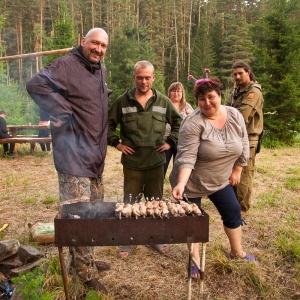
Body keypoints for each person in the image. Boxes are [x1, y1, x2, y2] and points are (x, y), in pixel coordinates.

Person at [26, 27, 110, 293]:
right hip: (73, 156)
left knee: (94, 213)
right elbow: (35, 84)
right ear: (82, 41)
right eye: (94, 43)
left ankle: (88, 260)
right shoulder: (66, 65)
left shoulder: (99, 70)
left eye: (103, 45)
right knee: (79, 216)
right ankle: (83, 272)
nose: (98, 49)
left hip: (94, 157)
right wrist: (62, 110)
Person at [170, 77, 258, 281]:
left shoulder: (234, 115)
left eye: (211, 97)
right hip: (192, 182)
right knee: (193, 222)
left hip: (220, 179)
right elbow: (187, 156)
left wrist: (237, 170)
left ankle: (237, 252)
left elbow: (244, 143)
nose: (207, 102)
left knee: (233, 210)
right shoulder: (192, 122)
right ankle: (194, 261)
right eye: (201, 99)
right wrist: (181, 184)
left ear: (220, 95)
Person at [107, 60, 182, 259]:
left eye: (147, 77)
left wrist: (171, 142)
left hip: (156, 161)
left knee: (155, 202)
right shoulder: (123, 101)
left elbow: (178, 122)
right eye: (139, 77)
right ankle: (128, 239)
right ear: (134, 78)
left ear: (153, 78)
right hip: (132, 163)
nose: (143, 81)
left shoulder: (163, 101)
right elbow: (107, 125)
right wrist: (117, 143)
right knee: (130, 202)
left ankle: (155, 237)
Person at [226, 61, 264, 214]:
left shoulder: (253, 92)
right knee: (231, 171)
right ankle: (233, 203)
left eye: (240, 73)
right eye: (235, 74)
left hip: (248, 139)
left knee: (244, 173)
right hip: (233, 137)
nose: (237, 76)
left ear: (248, 72)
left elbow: (242, 116)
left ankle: (242, 208)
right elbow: (225, 109)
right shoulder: (236, 92)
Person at [164, 82, 193, 176]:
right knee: (161, 168)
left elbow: (193, 123)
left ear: (182, 93)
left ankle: (177, 189)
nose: (176, 93)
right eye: (173, 91)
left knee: (179, 170)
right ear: (169, 92)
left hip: (181, 143)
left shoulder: (187, 106)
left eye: (178, 91)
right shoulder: (164, 105)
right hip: (165, 141)